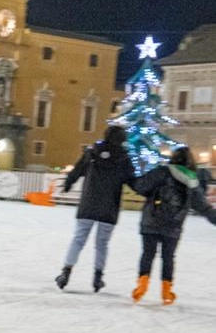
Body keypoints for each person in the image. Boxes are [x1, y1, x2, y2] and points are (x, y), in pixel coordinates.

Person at [54, 125, 137, 292]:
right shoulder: (124, 158)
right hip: (109, 207)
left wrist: (69, 183)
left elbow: (77, 169)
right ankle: (98, 278)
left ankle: (66, 272)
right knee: (102, 244)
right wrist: (150, 191)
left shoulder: (92, 152)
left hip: (89, 204)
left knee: (78, 239)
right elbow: (134, 182)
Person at [130, 146, 216, 305]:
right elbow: (202, 206)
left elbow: (140, 186)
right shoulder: (191, 180)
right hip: (173, 225)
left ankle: (141, 286)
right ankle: (166, 292)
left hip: (151, 220)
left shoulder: (161, 171)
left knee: (147, 254)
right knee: (168, 257)